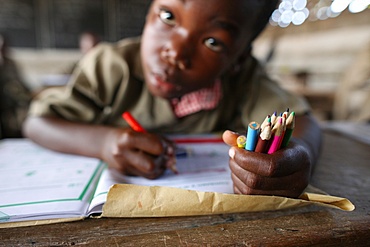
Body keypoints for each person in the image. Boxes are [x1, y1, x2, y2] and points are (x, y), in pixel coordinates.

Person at [23, 0, 322, 198]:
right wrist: (103, 142)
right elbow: (37, 124)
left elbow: (304, 121)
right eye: (168, 16)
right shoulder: (110, 66)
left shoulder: (243, 81)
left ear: (239, 60)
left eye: (213, 42)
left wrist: (300, 155)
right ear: (148, 12)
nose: (176, 52)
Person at [0, 33, 31, 139]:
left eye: (4, 47)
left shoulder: (11, 63)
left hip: (13, 101)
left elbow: (20, 82)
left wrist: (31, 92)